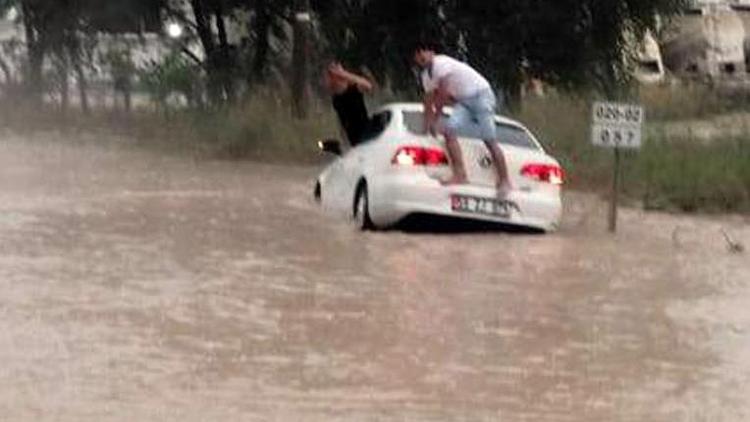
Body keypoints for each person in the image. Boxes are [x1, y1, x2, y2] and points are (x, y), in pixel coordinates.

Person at [413, 44, 512, 192]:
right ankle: (460, 175)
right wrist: (426, 126)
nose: (421, 56)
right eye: (417, 54)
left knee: (489, 139)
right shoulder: (426, 76)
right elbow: (428, 102)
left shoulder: (441, 63)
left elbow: (443, 94)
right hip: (464, 101)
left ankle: (504, 180)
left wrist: (435, 118)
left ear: (431, 52)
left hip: (481, 95)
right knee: (449, 131)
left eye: (423, 51)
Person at [324, 62, 375, 147]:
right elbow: (341, 120)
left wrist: (343, 74)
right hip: (353, 139)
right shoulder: (336, 98)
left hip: (367, 134)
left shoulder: (354, 89)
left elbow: (368, 86)